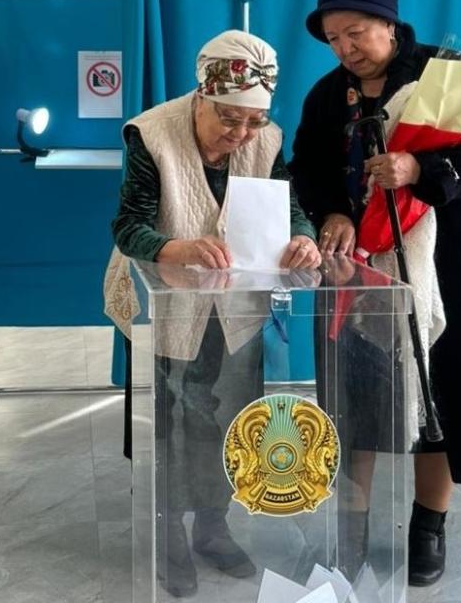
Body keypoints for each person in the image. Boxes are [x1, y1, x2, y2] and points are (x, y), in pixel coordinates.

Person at [289, 0, 461, 587]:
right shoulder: (326, 95)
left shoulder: (450, 76)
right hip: (357, 266)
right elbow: (306, 168)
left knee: (441, 390)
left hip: (446, 266)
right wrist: (334, 212)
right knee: (356, 395)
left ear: (389, 23)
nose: (345, 48)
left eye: (355, 32)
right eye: (333, 38)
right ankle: (352, 528)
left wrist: (422, 170)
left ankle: (429, 527)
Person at [104, 29, 320, 597]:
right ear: (202, 96)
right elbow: (128, 226)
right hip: (167, 304)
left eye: (253, 121)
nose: (241, 134)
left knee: (229, 417)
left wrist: (302, 237)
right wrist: (176, 248)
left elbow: (291, 208)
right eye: (229, 119)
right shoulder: (152, 134)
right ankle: (167, 530)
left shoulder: (266, 139)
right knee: (172, 419)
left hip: (235, 306)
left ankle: (213, 526)